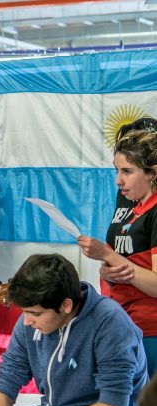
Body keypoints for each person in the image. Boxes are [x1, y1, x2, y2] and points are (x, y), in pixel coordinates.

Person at [0, 254, 148, 406]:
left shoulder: (111, 322)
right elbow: (6, 383)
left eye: (35, 314)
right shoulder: (29, 319)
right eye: (24, 312)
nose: (27, 321)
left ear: (66, 305)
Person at [77, 128, 157, 377]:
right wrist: (107, 269)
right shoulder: (133, 205)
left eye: (127, 172)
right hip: (121, 320)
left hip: (149, 328)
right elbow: (125, 261)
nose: (118, 180)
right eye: (117, 170)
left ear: (153, 173)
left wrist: (108, 256)